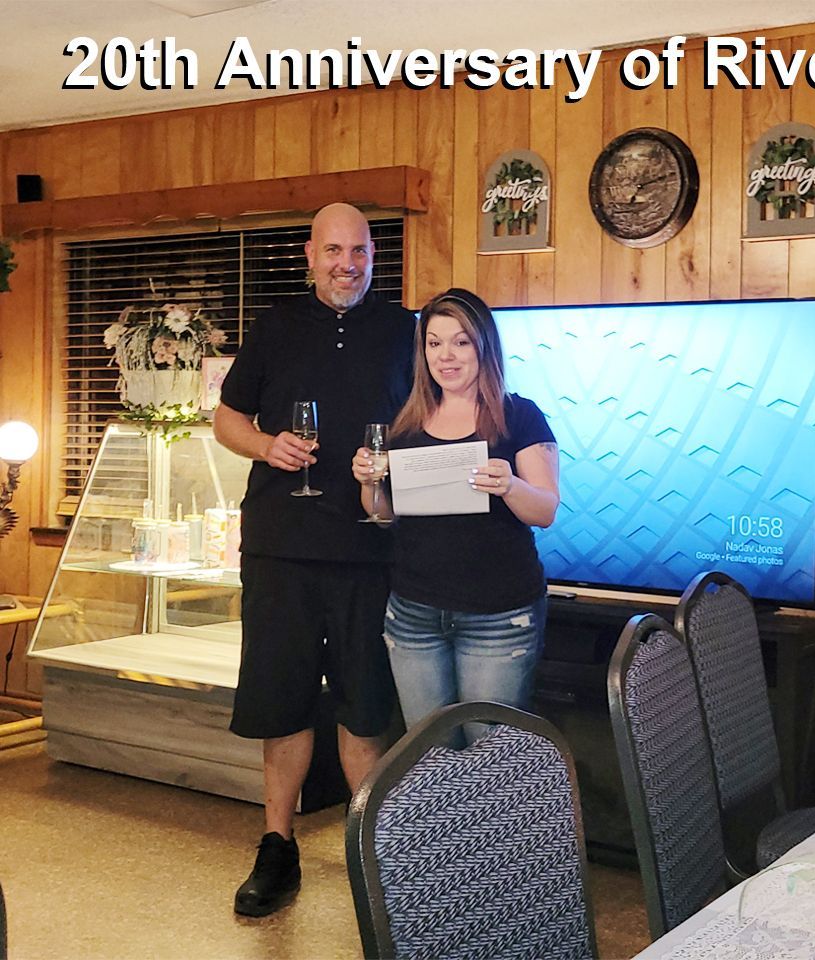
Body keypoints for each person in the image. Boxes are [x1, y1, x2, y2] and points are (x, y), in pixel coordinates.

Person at [213, 202, 415, 917]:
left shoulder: (405, 331)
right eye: (333, 250)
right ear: (309, 253)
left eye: (358, 250)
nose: (346, 264)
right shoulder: (275, 326)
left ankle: (370, 848)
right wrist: (268, 446)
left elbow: (434, 423)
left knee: (365, 706)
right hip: (280, 547)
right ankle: (278, 846)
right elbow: (226, 418)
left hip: (372, 546)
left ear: (371, 254)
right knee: (283, 698)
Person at [351, 287, 559, 731]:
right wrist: (369, 483)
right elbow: (384, 515)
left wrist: (510, 485)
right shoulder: (405, 425)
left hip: (499, 616)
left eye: (460, 341)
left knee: (488, 760)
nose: (446, 355)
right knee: (428, 756)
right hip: (413, 614)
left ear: (484, 346)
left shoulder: (518, 415)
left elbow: (544, 510)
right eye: (434, 342)